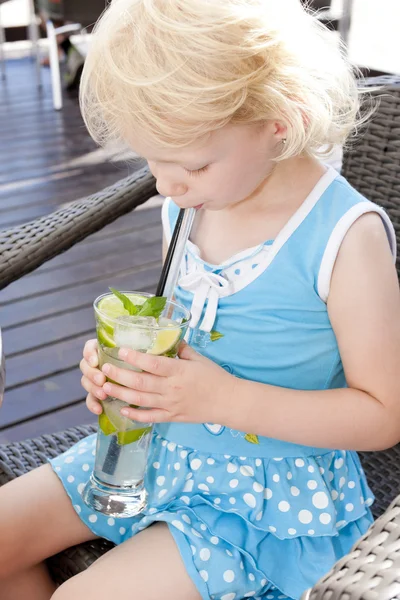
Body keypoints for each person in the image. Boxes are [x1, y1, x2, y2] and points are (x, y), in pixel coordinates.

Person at [1, 1, 400, 599]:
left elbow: (382, 414)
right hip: (152, 454)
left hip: (266, 498)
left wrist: (222, 398)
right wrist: (130, 375)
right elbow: (182, 332)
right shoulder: (187, 206)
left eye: (190, 163)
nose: (165, 185)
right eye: (151, 161)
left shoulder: (345, 237)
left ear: (281, 119)